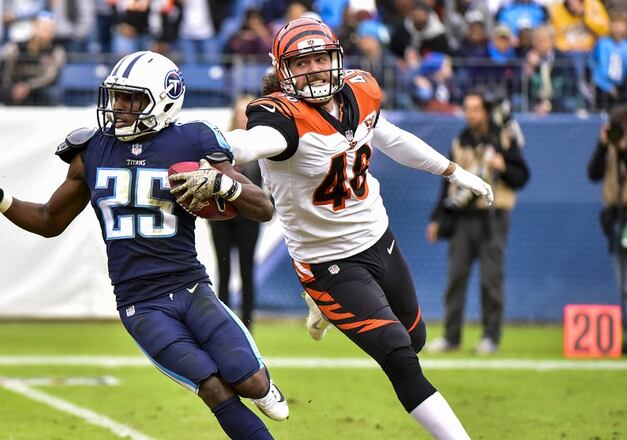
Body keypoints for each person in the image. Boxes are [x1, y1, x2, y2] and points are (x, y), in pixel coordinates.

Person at [172, 17, 490, 439]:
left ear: (336, 58)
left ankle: (323, 306)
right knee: (399, 355)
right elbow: (248, 142)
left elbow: (389, 136)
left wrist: (453, 171)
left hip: (379, 239)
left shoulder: (360, 91)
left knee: (415, 338)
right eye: (301, 64)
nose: (315, 70)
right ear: (283, 70)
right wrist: (208, 153)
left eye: (321, 58)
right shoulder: (281, 118)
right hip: (327, 262)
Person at [0, 50, 289, 439]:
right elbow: (48, 221)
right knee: (213, 388)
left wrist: (225, 184)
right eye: (117, 96)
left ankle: (263, 385)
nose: (120, 107)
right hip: (140, 303)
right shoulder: (92, 149)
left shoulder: (193, 139)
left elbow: (262, 208)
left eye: (131, 98)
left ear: (163, 99)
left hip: (191, 288)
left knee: (251, 384)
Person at [424, 90, 530, 355]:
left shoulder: (504, 138)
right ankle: (451, 337)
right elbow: (446, 184)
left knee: (491, 280)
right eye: (468, 109)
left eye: (476, 109)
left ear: (486, 111)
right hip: (462, 219)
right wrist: (436, 218)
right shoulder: (459, 141)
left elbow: (522, 176)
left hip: (493, 217)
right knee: (455, 278)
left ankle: (490, 337)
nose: (471, 114)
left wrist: (503, 165)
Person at [588, 103, 627, 354]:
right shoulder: (610, 148)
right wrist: (603, 146)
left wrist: (625, 152)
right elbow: (593, 173)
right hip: (617, 221)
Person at [209, 95, 263, 331]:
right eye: (240, 112)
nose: (243, 118)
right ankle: (223, 323)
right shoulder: (219, 144)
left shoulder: (262, 145)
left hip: (248, 219)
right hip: (221, 218)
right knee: (223, 270)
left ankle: (247, 323)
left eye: (247, 113)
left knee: (247, 270)